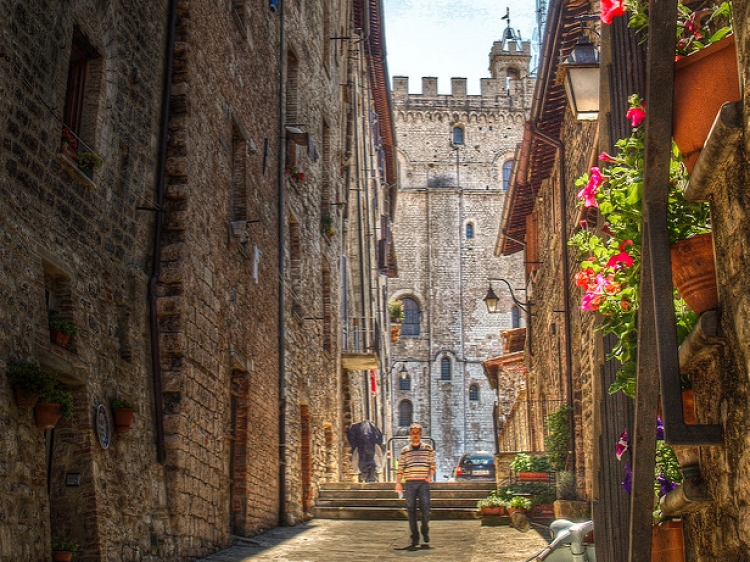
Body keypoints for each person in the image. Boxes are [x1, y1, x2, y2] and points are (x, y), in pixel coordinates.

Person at [395, 423, 436, 549]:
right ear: (410, 435)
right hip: (410, 483)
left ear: (421, 434)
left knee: (426, 509)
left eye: (417, 433)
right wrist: (398, 483)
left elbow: (432, 465)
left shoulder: (428, 448)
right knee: (411, 511)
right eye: (413, 433)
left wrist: (429, 477)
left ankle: (424, 528)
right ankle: (415, 538)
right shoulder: (405, 451)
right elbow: (400, 467)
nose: (415, 435)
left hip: (423, 483)